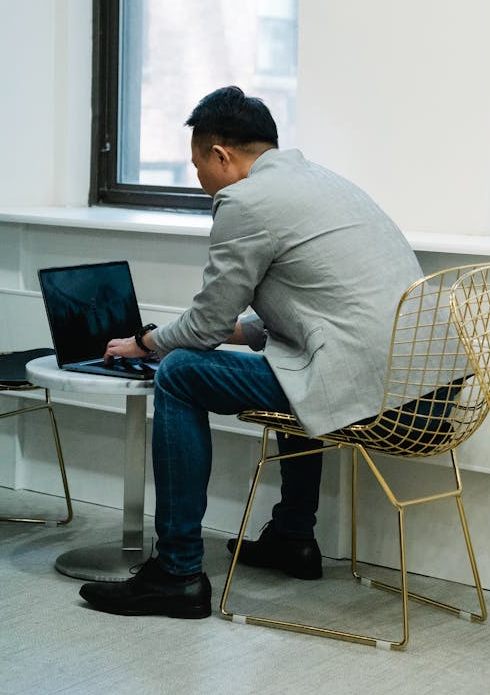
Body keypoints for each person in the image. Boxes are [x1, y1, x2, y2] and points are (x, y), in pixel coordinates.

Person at [79, 86, 423, 618]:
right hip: (429, 390)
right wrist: (245, 332)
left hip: (371, 390)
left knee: (178, 372)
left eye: (199, 168)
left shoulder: (244, 202)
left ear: (222, 155)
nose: (201, 183)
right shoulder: (325, 183)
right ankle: (292, 536)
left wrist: (144, 343)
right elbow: (326, 307)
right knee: (289, 358)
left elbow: (204, 327)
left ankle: (176, 572)